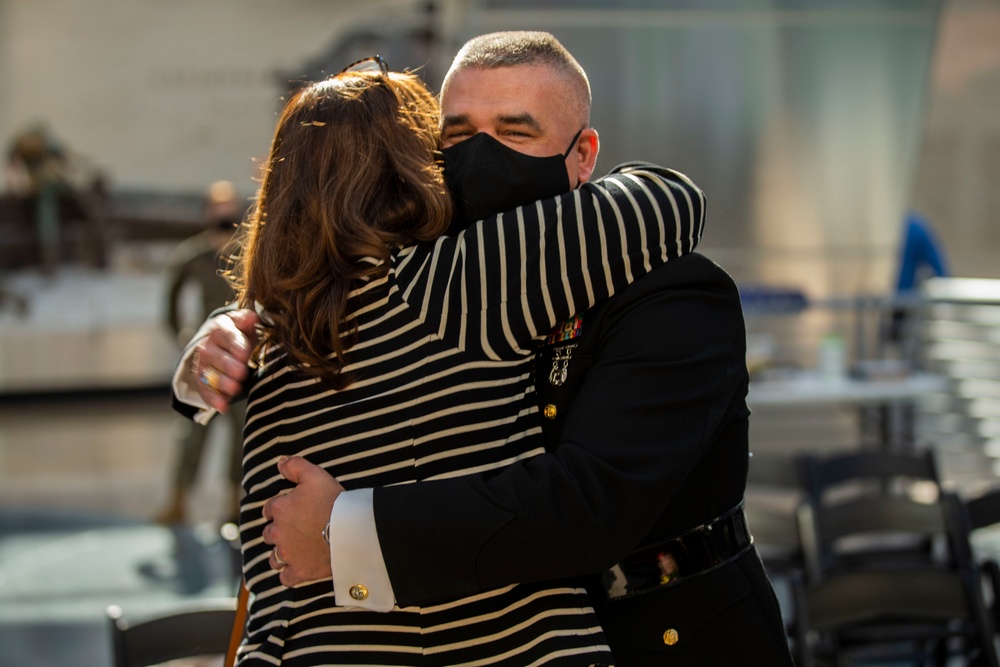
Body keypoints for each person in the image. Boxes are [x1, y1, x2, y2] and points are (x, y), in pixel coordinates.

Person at [176, 32, 793, 665]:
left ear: (583, 156)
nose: (481, 159)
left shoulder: (669, 289)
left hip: (666, 632)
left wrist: (347, 533)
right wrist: (230, 330)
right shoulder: (444, 273)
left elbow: (590, 499)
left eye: (515, 132)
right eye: (458, 136)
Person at [155, 180, 246, 524]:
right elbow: (171, 299)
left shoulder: (248, 249)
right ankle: (179, 500)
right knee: (193, 430)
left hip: (243, 356)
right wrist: (182, 335)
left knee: (242, 433)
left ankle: (234, 505)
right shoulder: (193, 256)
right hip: (207, 359)